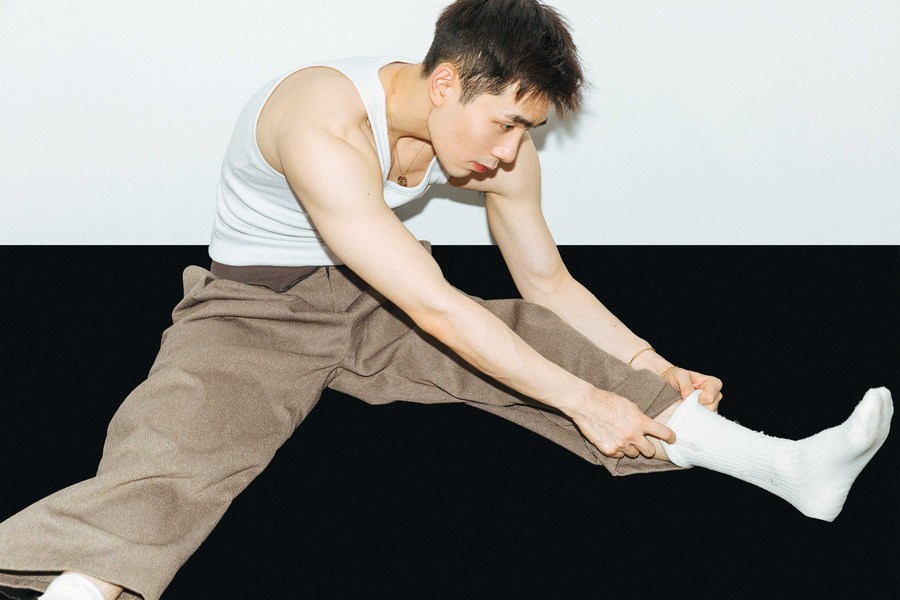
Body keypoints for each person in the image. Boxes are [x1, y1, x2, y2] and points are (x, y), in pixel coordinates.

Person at [0, 1, 892, 599]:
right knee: (178, 451)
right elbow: (433, 306)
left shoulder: (497, 145)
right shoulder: (320, 118)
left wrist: (649, 365)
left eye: (528, 130)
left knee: (537, 339)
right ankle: (81, 586)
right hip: (251, 306)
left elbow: (547, 283)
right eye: (506, 123)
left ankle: (791, 469)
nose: (510, 151)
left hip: (372, 291)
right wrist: (585, 403)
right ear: (443, 84)